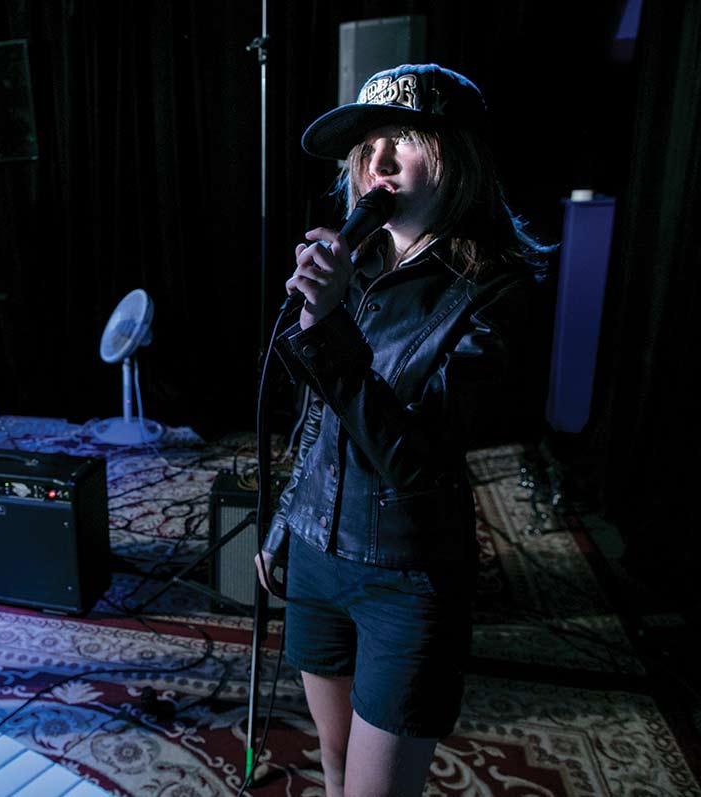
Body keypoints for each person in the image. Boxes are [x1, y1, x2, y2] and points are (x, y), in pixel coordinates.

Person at [254, 64, 549, 796]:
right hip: (319, 561)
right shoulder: (355, 269)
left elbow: (415, 458)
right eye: (369, 144)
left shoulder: (498, 290)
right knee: (332, 756)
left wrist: (325, 334)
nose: (377, 161)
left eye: (405, 140)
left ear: (459, 158)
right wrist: (284, 521)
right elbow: (319, 420)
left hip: (408, 578)